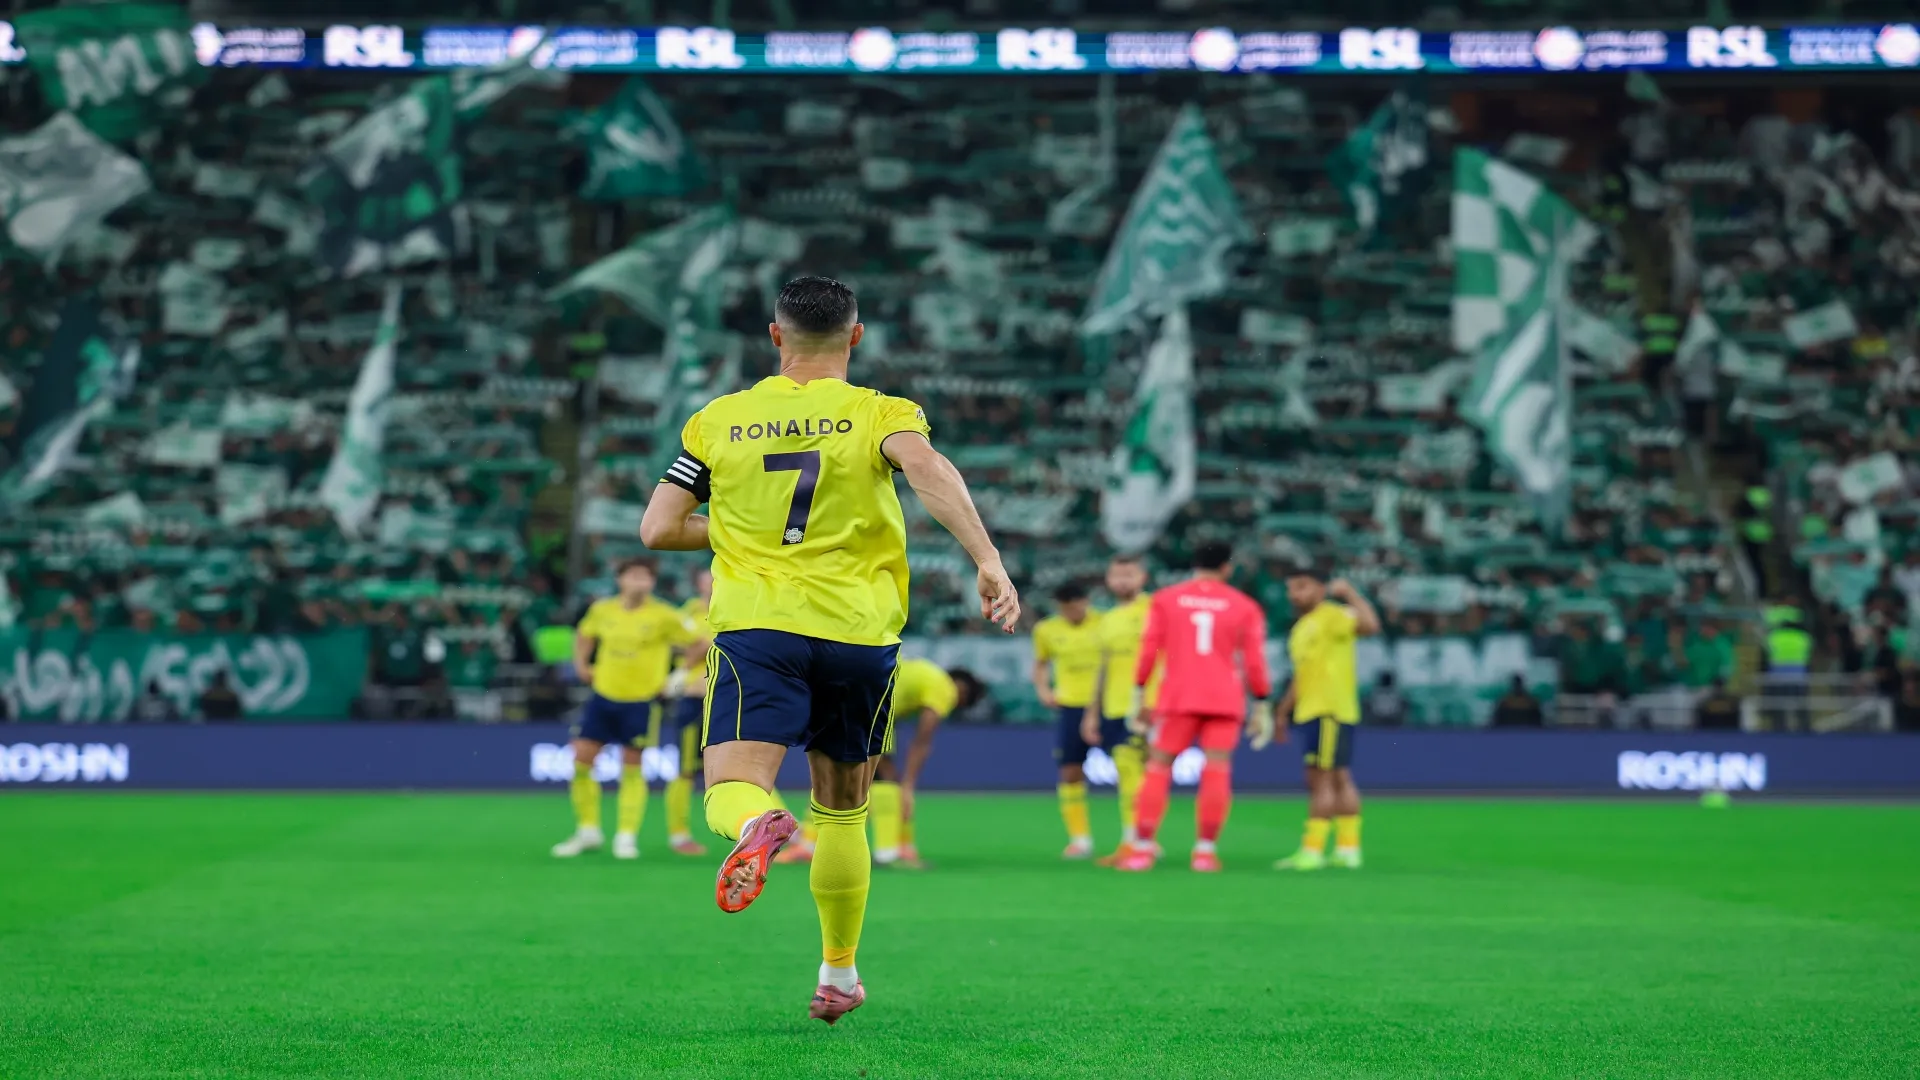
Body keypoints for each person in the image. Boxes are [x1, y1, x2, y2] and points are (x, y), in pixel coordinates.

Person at [639, 275, 1019, 1025]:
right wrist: (987, 558)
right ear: (856, 336)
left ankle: (756, 825)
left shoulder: (717, 420)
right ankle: (839, 975)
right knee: (845, 810)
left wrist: (741, 534)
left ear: (775, 336)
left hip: (760, 626)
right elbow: (929, 471)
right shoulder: (881, 411)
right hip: (858, 633)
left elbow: (656, 529)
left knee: (730, 785)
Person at [1115, 541, 1272, 873]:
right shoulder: (1244, 605)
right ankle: (1204, 852)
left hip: (1179, 696)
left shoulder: (1166, 599)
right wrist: (1261, 702)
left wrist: (1139, 692)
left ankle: (1142, 849)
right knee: (1217, 768)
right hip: (1224, 698)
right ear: (1227, 568)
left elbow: (1149, 650)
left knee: (1158, 767)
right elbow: (1255, 662)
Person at [550, 557, 702, 861]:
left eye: (645, 577)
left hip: (641, 701)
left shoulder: (664, 614)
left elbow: (699, 644)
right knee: (581, 761)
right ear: (620, 579)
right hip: (603, 696)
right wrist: (581, 663)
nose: (639, 582)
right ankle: (588, 830)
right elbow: (584, 634)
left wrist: (678, 675)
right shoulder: (602, 610)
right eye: (633, 576)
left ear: (652, 582)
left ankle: (626, 836)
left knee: (631, 768)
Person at [1273, 567, 1381, 871]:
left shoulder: (1332, 615)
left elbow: (1371, 626)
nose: (1296, 593)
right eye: (1292, 587)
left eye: (1303, 586)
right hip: (1312, 710)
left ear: (1321, 589)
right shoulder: (1301, 628)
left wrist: (1350, 594)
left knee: (1320, 779)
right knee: (1337, 777)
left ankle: (1313, 850)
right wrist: (1283, 713)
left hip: (1329, 710)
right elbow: (1301, 676)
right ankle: (1348, 849)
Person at [870, 658, 979, 869]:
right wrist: (908, 786)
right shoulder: (946, 689)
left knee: (856, 782)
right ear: (962, 692)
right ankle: (888, 854)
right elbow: (922, 740)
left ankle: (813, 843)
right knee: (887, 781)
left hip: (862, 699)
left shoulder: (928, 674)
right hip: (872, 708)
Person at [1087, 555, 1155, 866]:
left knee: (1138, 775)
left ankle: (1138, 841)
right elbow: (1101, 668)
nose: (1123, 581)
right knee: (1130, 776)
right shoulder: (1107, 619)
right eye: (1117, 575)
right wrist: (1092, 713)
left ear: (1143, 577)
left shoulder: (1155, 611)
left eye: (1129, 574)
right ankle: (1140, 840)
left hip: (1148, 706)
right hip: (1115, 707)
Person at [1031, 581, 1105, 859]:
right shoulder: (1046, 629)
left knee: (1130, 768)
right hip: (1070, 706)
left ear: (1086, 601)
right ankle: (1080, 839)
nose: (1070, 613)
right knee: (1070, 770)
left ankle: (1138, 836)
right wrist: (1043, 690)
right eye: (1064, 609)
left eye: (1075, 607)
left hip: (1109, 704)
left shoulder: (1106, 623)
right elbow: (1040, 663)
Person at [661, 566, 717, 856]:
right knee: (685, 770)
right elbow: (684, 645)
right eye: (708, 576)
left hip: (728, 700)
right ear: (698, 583)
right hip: (695, 700)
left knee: (746, 766)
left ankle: (767, 833)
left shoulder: (737, 607)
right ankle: (679, 834)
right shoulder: (687, 615)